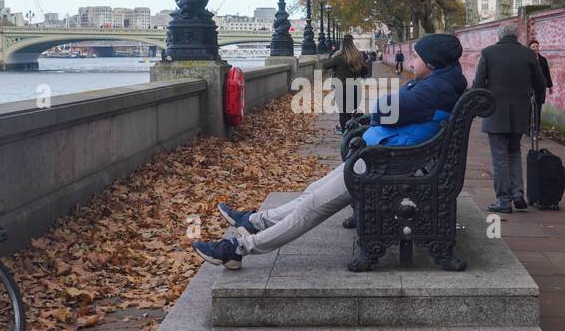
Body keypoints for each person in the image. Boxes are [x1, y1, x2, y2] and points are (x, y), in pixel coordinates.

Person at [192, 33, 467, 268]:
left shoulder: (431, 90)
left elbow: (384, 109)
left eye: (417, 58)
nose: (410, 62)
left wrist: (396, 98)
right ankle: (256, 221)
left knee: (313, 205)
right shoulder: (438, 84)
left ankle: (239, 248)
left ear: (431, 64)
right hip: (386, 155)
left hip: (386, 162)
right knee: (313, 191)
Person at [473, 22, 546, 213]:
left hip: (495, 112)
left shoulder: (488, 53)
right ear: (516, 35)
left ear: (499, 35)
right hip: (520, 112)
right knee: (514, 152)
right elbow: (541, 83)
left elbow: (479, 83)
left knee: (499, 156)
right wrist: (538, 103)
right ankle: (517, 193)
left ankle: (504, 200)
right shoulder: (529, 54)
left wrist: (476, 107)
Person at [322, 33, 371, 132]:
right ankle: (350, 131)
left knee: (344, 112)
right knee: (351, 110)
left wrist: (332, 54)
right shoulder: (358, 56)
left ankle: (345, 131)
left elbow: (326, 65)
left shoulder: (339, 57)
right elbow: (365, 71)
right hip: (355, 87)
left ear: (342, 45)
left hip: (342, 88)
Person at [527, 38, 552, 130]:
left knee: (538, 109)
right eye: (533, 46)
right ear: (529, 48)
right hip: (529, 87)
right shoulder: (527, 59)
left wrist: (549, 86)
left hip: (540, 87)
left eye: (537, 46)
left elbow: (547, 73)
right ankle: (528, 127)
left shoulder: (543, 59)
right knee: (528, 108)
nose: (535, 48)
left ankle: (537, 129)